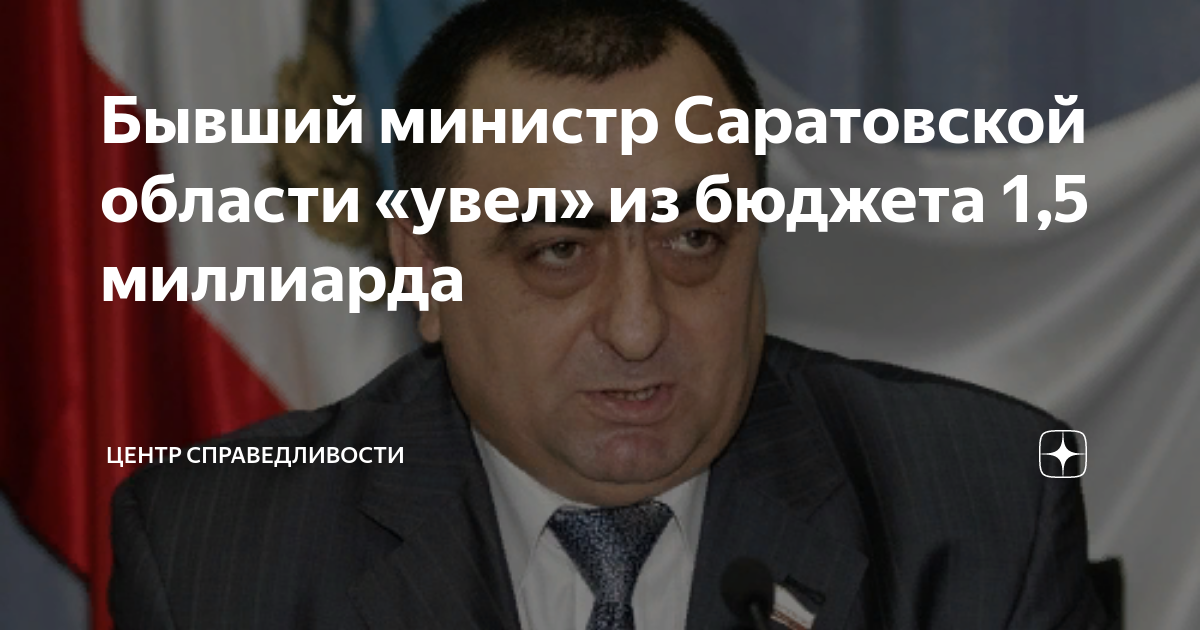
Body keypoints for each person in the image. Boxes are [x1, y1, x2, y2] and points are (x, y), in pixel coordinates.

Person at [109, 1, 1112, 629]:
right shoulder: (220, 550)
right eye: (559, 252)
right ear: (427, 271)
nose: (638, 328)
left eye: (694, 240)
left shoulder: (980, 512)